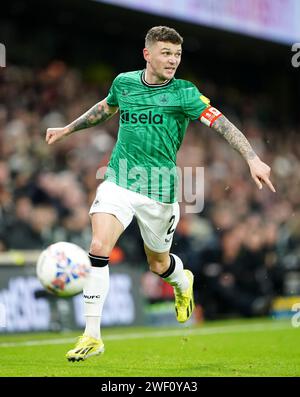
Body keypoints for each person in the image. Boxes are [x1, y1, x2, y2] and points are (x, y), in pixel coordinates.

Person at [46, 26, 275, 362]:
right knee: (97, 247)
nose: (173, 60)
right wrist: (68, 128)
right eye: (166, 53)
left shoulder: (185, 93)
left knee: (158, 264)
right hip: (119, 181)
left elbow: (224, 124)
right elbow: (105, 108)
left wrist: (253, 158)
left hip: (160, 192)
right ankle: (92, 336)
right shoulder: (124, 83)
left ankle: (182, 282)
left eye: (177, 55)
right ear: (147, 54)